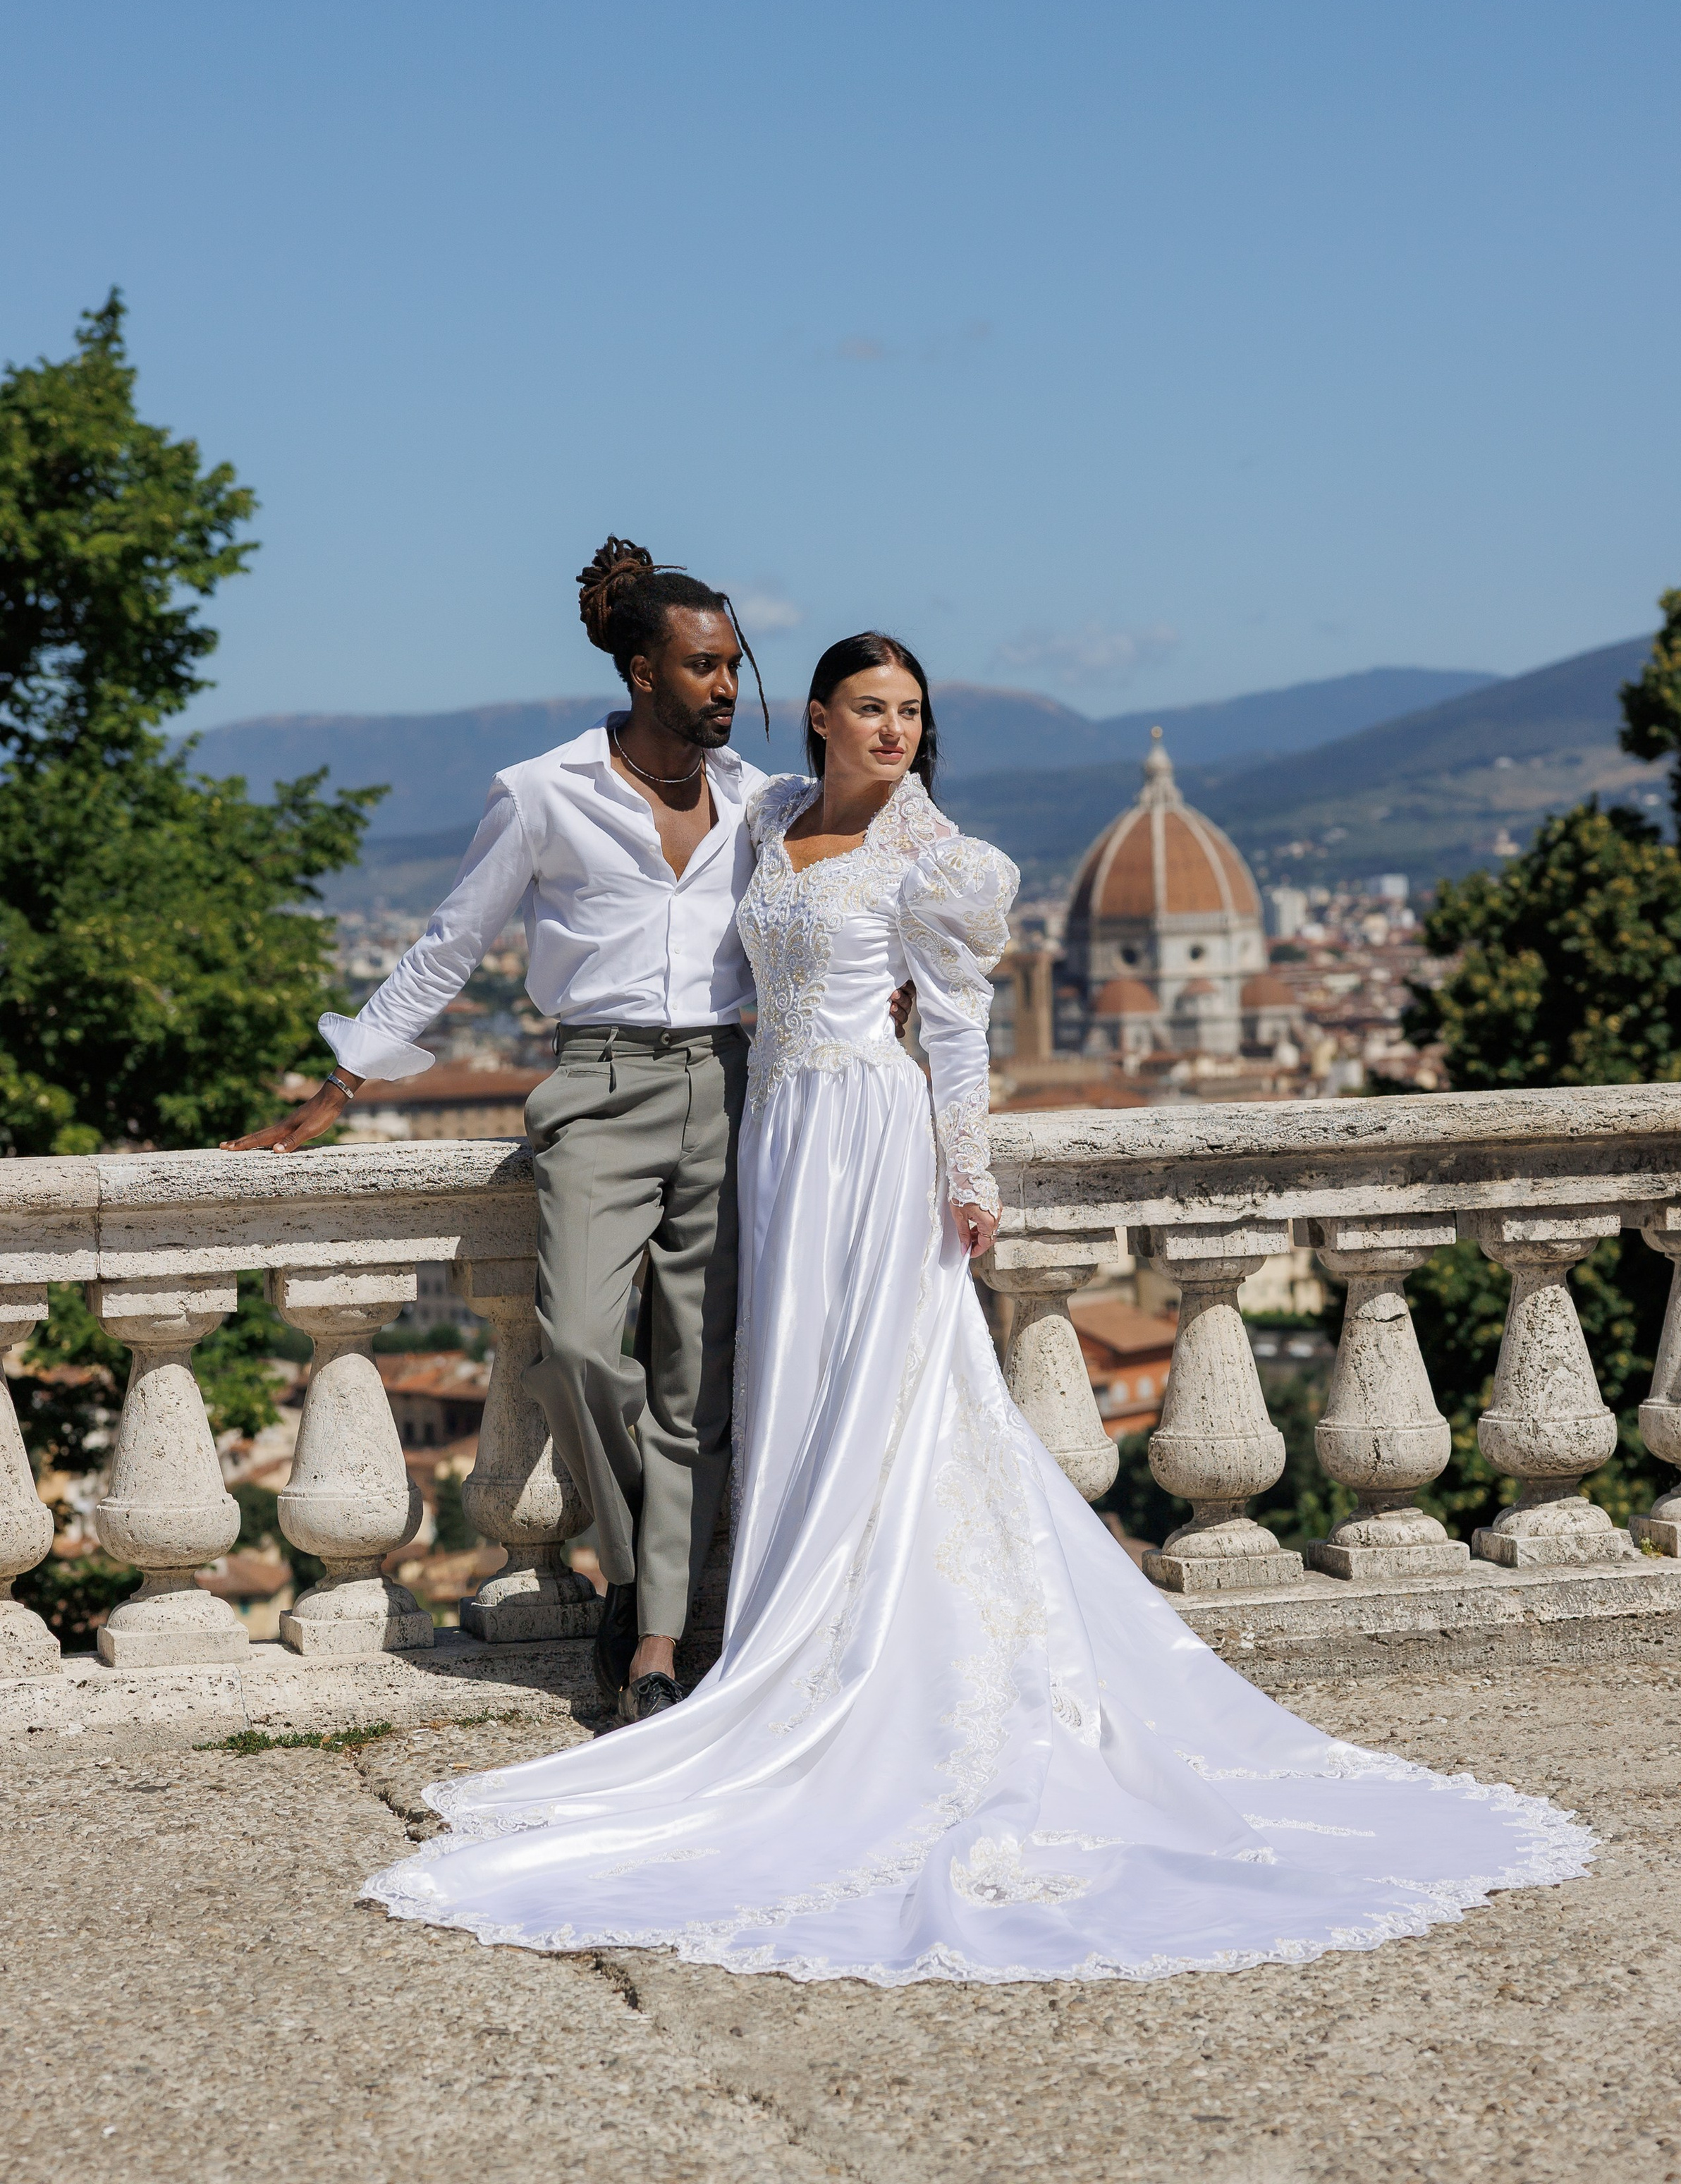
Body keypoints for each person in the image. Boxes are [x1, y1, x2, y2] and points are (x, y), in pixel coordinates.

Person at [361, 630, 1594, 1986]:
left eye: (913, 712)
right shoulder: (764, 809)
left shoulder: (944, 860)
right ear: (820, 718)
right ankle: (765, 1637)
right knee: (786, 1393)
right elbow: (650, 829)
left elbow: (954, 1029)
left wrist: (968, 1175)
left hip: (873, 1147)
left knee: (889, 1395)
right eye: (871, 708)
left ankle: (864, 1666)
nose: (896, 730)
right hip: (774, 1143)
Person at [233, 539, 805, 1718]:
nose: (726, 690)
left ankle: (653, 1642)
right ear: (643, 671)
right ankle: (663, 1577)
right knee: (586, 1345)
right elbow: (451, 944)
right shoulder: (542, 792)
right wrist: (338, 1089)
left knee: (701, 1379)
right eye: (703, 668)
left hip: (738, 1082)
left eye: (733, 668)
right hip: (599, 1088)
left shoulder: (758, 801)